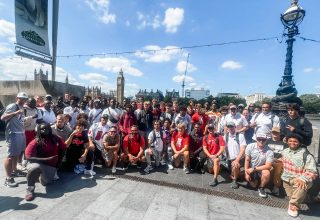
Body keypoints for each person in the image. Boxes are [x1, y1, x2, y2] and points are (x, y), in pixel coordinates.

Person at [24, 123, 66, 201]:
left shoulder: (56, 138)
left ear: (50, 129)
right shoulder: (35, 141)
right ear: (39, 131)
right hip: (37, 164)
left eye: (46, 128)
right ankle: (30, 189)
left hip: (50, 167)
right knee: (35, 167)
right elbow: (28, 157)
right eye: (42, 129)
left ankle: (36, 176)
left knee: (45, 182)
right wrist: (47, 159)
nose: (44, 130)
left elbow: (63, 149)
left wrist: (59, 163)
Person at [281, 133, 318, 217]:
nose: (292, 143)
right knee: (295, 197)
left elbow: (312, 171)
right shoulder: (284, 152)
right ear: (287, 142)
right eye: (290, 141)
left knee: (300, 189)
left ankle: (293, 206)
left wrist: (303, 179)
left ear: (299, 143)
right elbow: (283, 161)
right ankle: (311, 199)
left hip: (300, 180)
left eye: (295, 141)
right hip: (287, 180)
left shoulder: (306, 155)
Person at [1, 92, 29, 187]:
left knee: (16, 154)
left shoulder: (22, 107)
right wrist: (15, 113)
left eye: (25, 98)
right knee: (10, 156)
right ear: (17, 97)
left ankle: (14, 171)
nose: (24, 100)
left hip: (20, 133)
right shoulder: (13, 106)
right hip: (13, 133)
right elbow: (3, 117)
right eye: (22, 98)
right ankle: (8, 179)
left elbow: (19, 120)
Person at [245, 133, 274, 198]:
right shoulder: (250, 146)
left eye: (263, 140)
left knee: (266, 173)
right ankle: (254, 181)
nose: (261, 141)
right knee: (253, 186)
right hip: (250, 168)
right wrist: (246, 173)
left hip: (260, 169)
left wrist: (254, 169)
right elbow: (247, 160)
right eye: (259, 139)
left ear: (266, 140)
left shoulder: (269, 151)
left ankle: (261, 187)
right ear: (256, 139)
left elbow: (268, 166)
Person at [265, 126, 287, 196]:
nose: (275, 133)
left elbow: (286, 155)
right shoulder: (267, 141)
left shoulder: (284, 144)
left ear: (279, 133)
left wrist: (281, 159)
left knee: (279, 167)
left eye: (276, 132)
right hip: (268, 160)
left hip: (278, 161)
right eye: (273, 132)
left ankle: (276, 186)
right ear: (271, 133)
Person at [224, 121, 246, 189]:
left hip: (239, 158)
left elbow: (243, 149)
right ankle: (237, 174)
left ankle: (234, 181)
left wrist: (237, 160)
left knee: (235, 165)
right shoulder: (225, 136)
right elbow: (223, 147)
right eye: (229, 127)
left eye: (232, 126)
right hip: (229, 159)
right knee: (233, 172)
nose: (230, 128)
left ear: (235, 127)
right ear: (227, 128)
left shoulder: (240, 135)